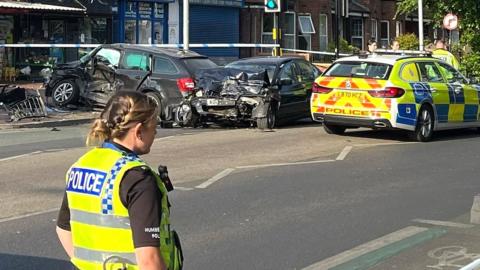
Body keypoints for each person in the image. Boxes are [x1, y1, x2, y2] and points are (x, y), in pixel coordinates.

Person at [56, 91, 183, 270]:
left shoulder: (81, 166)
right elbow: (148, 260)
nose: (155, 133)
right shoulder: (138, 178)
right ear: (139, 131)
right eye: (154, 127)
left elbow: (63, 229)